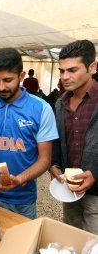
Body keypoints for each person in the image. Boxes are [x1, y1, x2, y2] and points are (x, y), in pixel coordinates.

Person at [0, 48, 58, 219]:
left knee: (22, 242)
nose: (1, 87)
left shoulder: (41, 109)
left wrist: (18, 179)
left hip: (23, 199)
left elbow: (44, 160)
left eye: (7, 80)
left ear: (21, 75)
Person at [49, 39, 98, 234]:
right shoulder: (61, 103)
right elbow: (58, 140)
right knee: (71, 238)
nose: (64, 77)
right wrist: (54, 164)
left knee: (93, 250)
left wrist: (96, 173)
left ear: (92, 67)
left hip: (96, 195)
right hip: (68, 190)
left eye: (72, 70)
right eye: (61, 71)